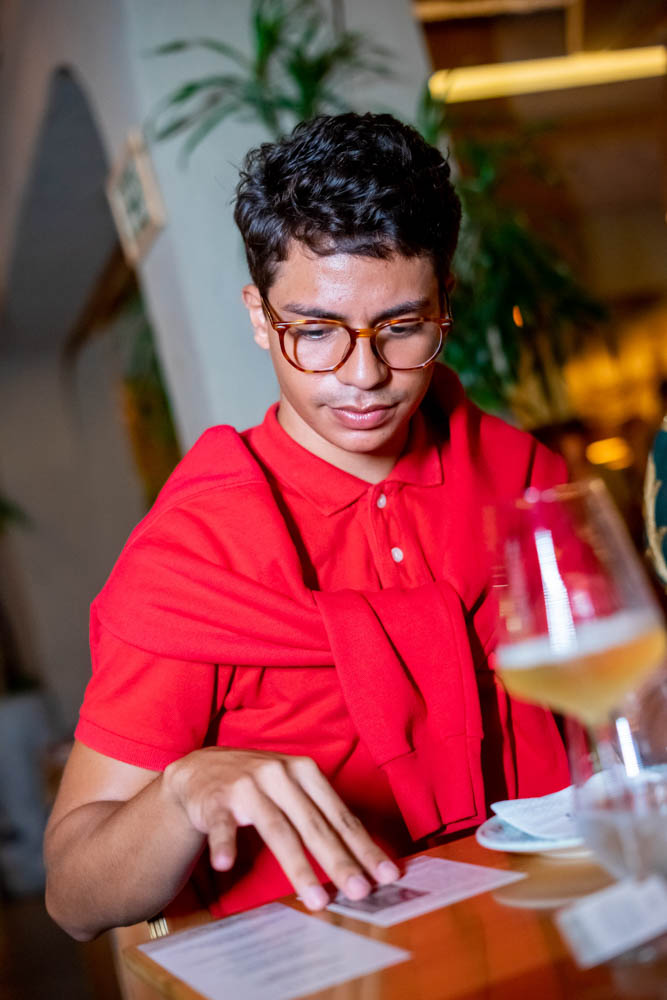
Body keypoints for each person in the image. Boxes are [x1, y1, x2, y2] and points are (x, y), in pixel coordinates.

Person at [44, 113, 570, 942]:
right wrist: (182, 790)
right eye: (315, 332)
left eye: (401, 327)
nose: (363, 375)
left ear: (444, 304)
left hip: (547, 930)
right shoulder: (196, 552)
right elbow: (74, 898)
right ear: (259, 317)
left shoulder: (522, 474)